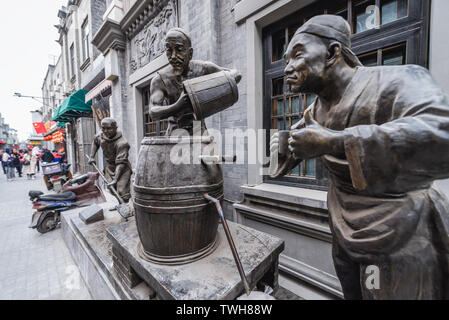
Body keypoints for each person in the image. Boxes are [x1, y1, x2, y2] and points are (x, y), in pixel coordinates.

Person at [269, 15, 449, 300]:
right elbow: (284, 158)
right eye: (284, 60)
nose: (287, 69)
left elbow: (441, 135)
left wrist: (336, 141)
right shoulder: (314, 112)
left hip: (400, 232)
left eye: (297, 54)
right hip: (343, 230)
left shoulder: (399, 79)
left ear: (332, 53)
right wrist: (283, 146)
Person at [149, 27, 241, 135]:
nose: (173, 56)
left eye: (179, 50)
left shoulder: (203, 68)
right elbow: (153, 112)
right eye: (169, 50)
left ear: (190, 53)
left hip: (199, 130)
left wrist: (206, 90)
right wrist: (178, 105)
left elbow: (236, 75)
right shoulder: (160, 80)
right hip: (175, 132)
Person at [89, 118, 132, 202]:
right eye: (103, 128)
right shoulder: (100, 136)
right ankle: (120, 205)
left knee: (122, 191)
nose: (105, 131)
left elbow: (121, 162)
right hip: (109, 167)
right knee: (112, 189)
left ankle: (125, 206)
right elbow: (95, 142)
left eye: (109, 128)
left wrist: (116, 179)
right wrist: (92, 156)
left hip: (122, 168)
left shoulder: (122, 143)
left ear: (115, 128)